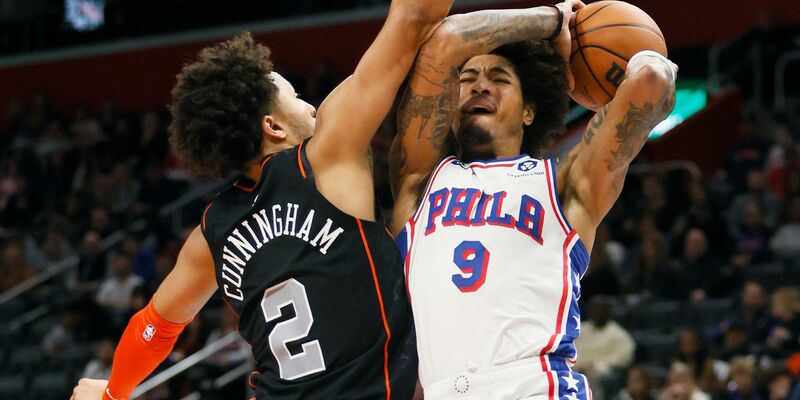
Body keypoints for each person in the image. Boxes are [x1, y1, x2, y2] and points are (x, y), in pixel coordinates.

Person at [70, 0, 452, 397]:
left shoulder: (212, 232)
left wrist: (114, 393)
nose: (311, 106)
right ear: (272, 126)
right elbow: (416, 15)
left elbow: (155, 327)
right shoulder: (325, 157)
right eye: (296, 95)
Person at [388, 1, 677, 397]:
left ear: (528, 111)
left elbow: (651, 76)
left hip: (535, 385)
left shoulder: (563, 184)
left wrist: (578, 57)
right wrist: (552, 21)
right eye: (468, 77)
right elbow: (445, 41)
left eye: (499, 78)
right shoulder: (417, 183)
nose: (480, 85)